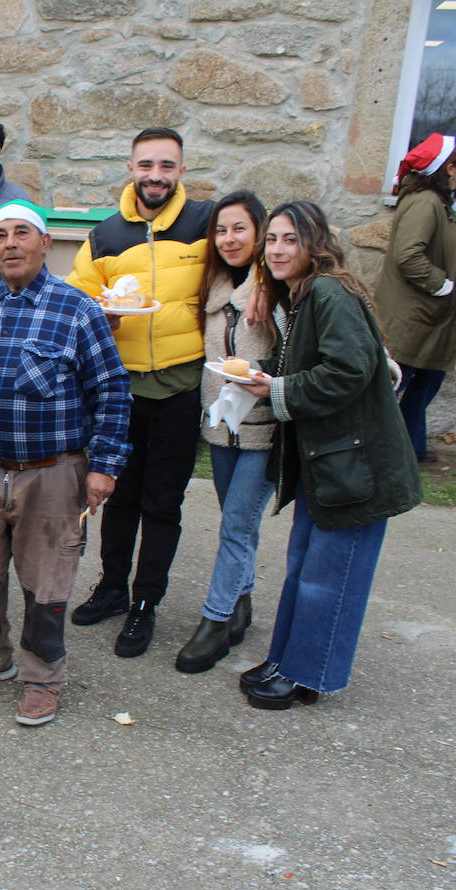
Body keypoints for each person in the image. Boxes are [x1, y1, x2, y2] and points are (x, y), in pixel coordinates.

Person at [0, 200, 130, 726]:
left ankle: (42, 677)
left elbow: (112, 391)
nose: (10, 244)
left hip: (51, 472)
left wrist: (104, 466)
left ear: (43, 243)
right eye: (0, 236)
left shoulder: (77, 309)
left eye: (21, 234)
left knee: (48, 582)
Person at [234, 201, 421, 710]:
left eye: (289, 239)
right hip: (329, 463)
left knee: (329, 578)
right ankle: (285, 661)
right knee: (303, 569)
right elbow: (307, 360)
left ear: (314, 243)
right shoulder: (301, 296)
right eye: (271, 239)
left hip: (355, 465)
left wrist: (277, 389)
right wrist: (260, 372)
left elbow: (348, 370)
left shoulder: (329, 292)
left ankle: (308, 674)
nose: (276, 249)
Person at [65, 126, 212, 658]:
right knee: (118, 494)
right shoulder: (105, 236)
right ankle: (110, 587)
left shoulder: (204, 224)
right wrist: (101, 316)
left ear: (181, 171)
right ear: (130, 169)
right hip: (121, 388)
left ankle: (146, 602)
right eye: (146, 165)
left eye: (167, 166)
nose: (156, 176)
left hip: (178, 382)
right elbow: (79, 305)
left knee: (163, 501)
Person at [174, 191, 279, 674]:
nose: (229, 238)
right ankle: (242, 604)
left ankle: (215, 622)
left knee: (236, 525)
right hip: (221, 427)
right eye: (221, 229)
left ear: (258, 231)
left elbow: (300, 353)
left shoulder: (277, 286)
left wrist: (261, 374)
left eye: (239, 228)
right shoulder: (214, 286)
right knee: (240, 523)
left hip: (264, 430)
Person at [375, 133, 456, 463]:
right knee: (396, 385)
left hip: (433, 316)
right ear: (449, 167)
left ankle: (409, 449)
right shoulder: (425, 203)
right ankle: (376, 449)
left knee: (426, 382)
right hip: (414, 316)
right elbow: (408, 255)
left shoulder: (449, 200)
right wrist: (442, 285)